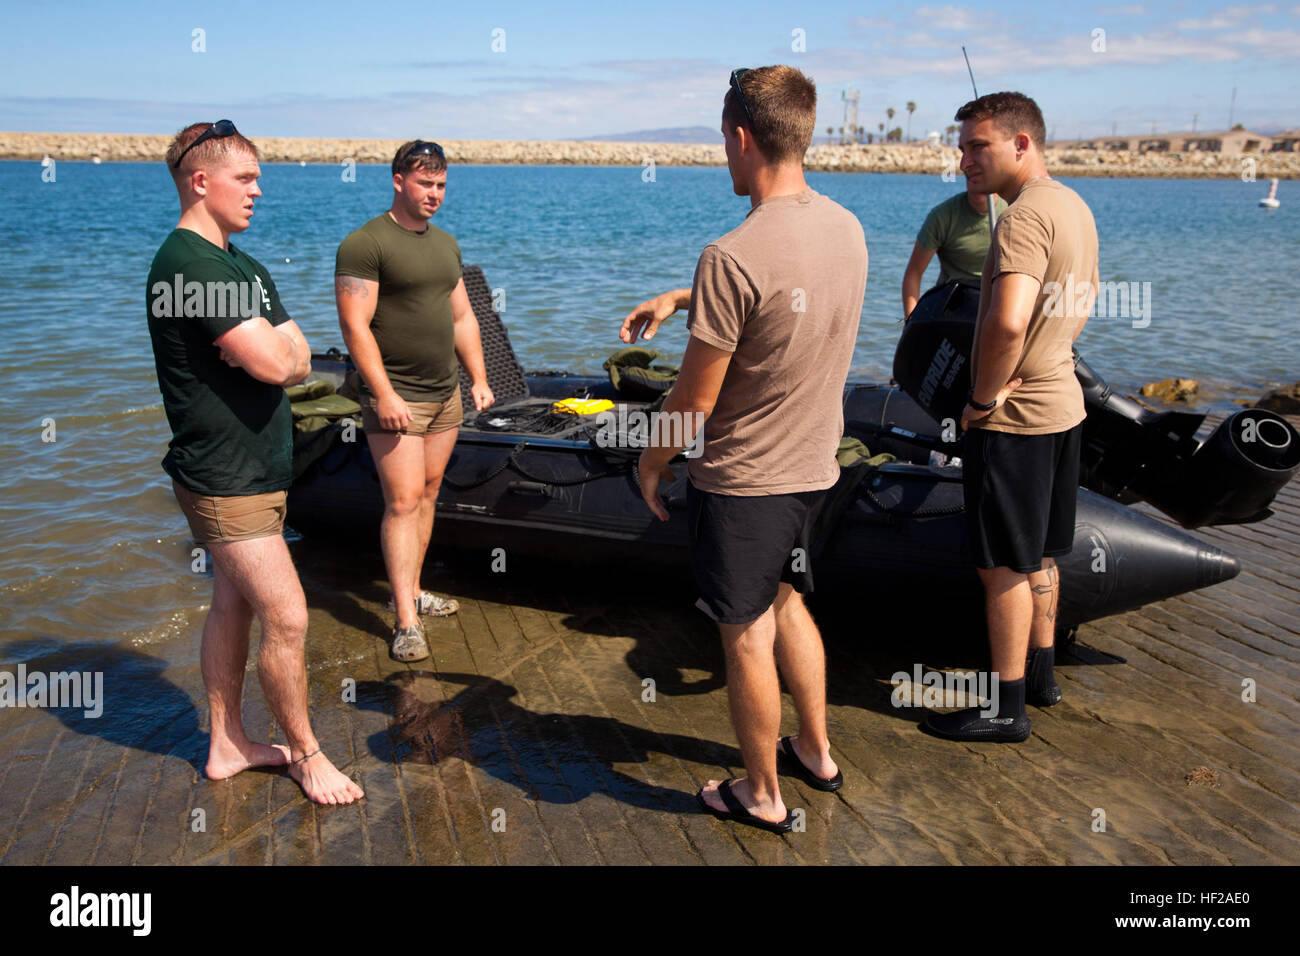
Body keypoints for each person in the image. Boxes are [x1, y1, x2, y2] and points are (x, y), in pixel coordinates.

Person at [620, 66, 868, 832]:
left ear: (741, 136)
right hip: (815, 470)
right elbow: (787, 293)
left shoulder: (731, 254)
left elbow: (693, 401)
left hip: (746, 481)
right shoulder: (846, 227)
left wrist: (650, 461)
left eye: (722, 141)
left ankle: (762, 793)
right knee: (791, 605)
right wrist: (681, 297)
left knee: (747, 632)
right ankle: (816, 752)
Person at [146, 120, 364, 804]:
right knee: (290, 616)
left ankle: (227, 743)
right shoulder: (188, 264)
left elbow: (298, 356)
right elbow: (276, 359)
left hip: (256, 468)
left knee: (233, 603)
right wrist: (274, 354)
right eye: (246, 178)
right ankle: (306, 753)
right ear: (200, 180)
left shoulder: (242, 265)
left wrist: (277, 355)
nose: (258, 191)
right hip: (223, 476)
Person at [922, 92, 1099, 742]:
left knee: (1001, 566)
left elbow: (1007, 319)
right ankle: (1044, 673)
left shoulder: (1021, 220)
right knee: (1042, 555)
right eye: (963, 145)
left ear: (1022, 144)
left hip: (1015, 421)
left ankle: (1006, 707)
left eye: (979, 146)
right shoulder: (1073, 206)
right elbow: (1083, 299)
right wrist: (1043, 356)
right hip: (1063, 407)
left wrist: (980, 399)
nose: (964, 158)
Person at [335, 140, 494, 663]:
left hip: (444, 394)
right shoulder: (365, 244)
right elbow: (354, 325)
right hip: (396, 398)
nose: (435, 194)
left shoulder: (446, 245)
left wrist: (478, 376)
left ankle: (416, 590)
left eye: (442, 185)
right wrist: (380, 393)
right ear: (399, 180)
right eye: (425, 183)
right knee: (401, 503)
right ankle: (404, 621)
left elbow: (463, 317)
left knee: (427, 494)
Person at [901, 178, 1008, 318]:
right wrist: (911, 322)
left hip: (998, 304)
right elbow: (913, 274)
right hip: (953, 306)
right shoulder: (942, 216)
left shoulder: (1013, 212)